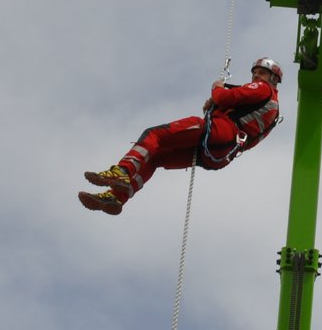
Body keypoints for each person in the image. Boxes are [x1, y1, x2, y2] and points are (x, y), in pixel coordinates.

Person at [79, 58, 283, 216]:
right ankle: (117, 197)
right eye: (255, 72)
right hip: (220, 154)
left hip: (219, 133)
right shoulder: (272, 109)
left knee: (155, 135)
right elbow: (239, 108)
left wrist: (217, 88)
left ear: (273, 78)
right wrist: (217, 104)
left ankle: (123, 170)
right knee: (157, 156)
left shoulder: (264, 90)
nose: (256, 77)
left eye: (262, 73)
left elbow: (225, 96)